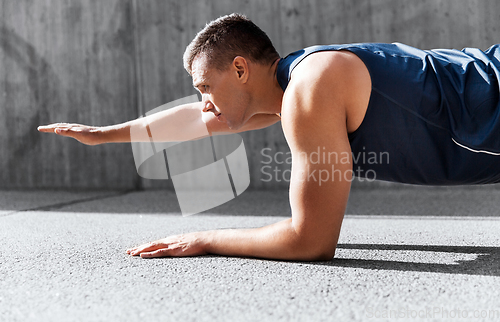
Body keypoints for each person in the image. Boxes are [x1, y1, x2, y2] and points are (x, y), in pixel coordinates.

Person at [38, 13, 500, 261]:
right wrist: (104, 135)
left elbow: (310, 242)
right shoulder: (290, 86)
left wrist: (204, 238)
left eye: (204, 87)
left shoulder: (309, 92)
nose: (203, 103)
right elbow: (198, 121)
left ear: (240, 68)